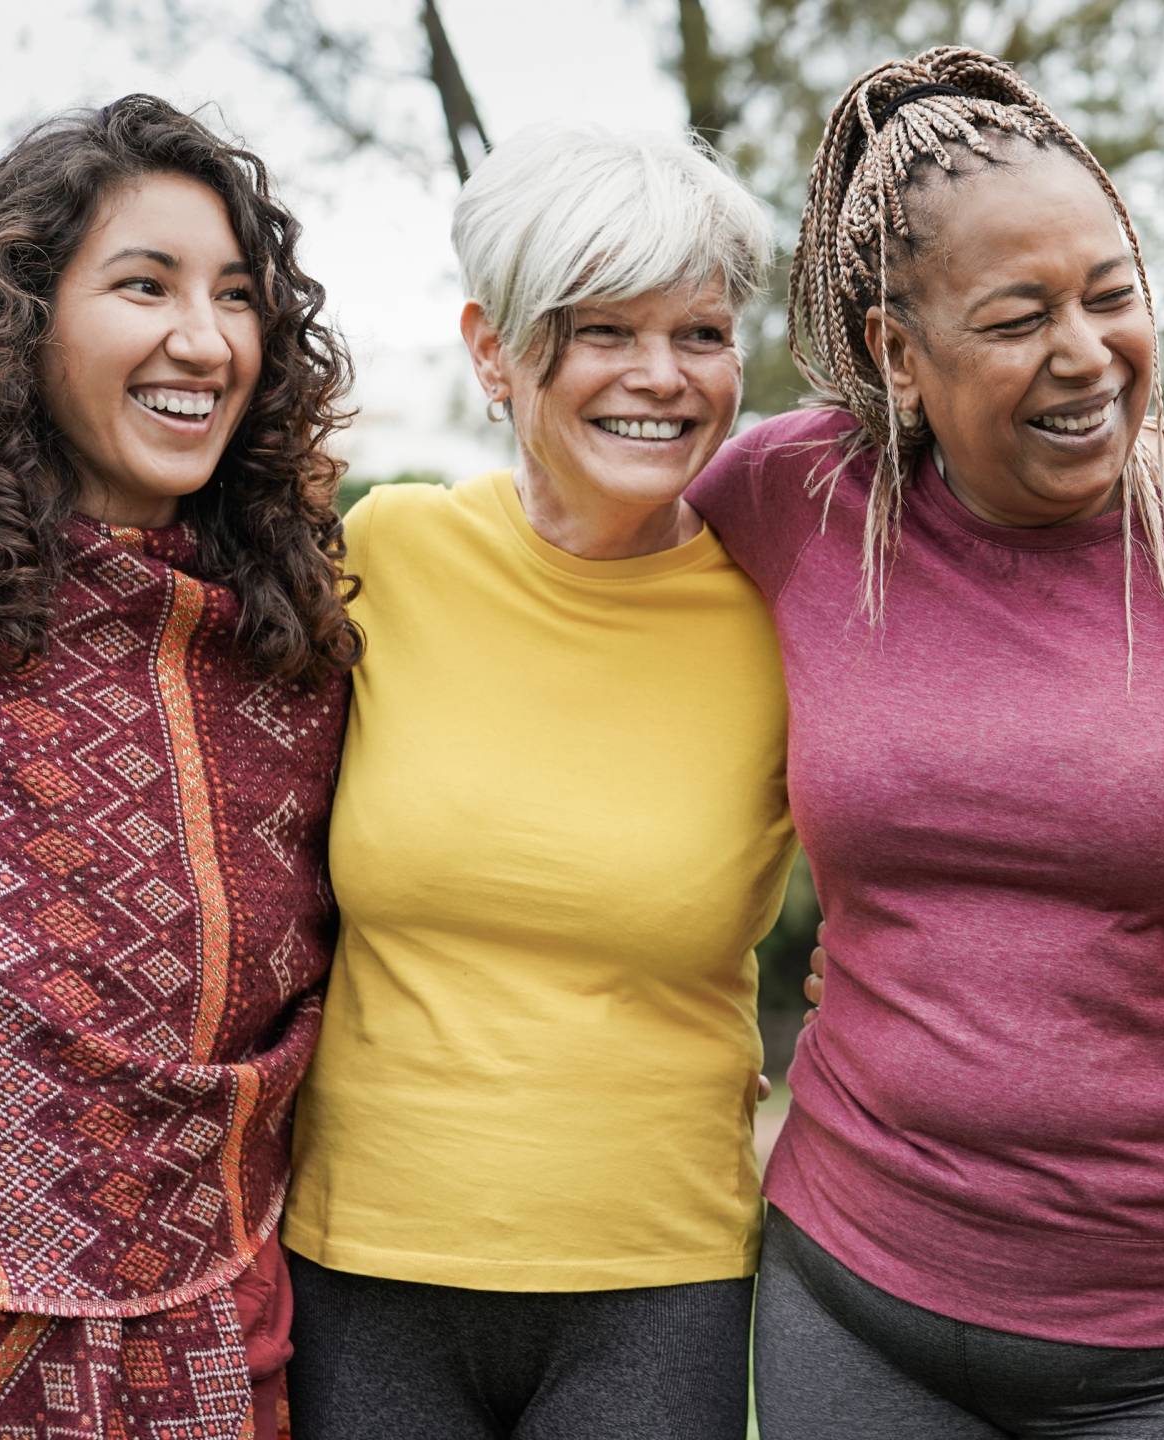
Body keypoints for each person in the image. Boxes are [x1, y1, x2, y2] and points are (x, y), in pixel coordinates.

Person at [687, 46, 1164, 1439]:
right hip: (858, 1300)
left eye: (1113, 295)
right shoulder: (795, 499)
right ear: (900, 356)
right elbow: (584, 564)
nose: (1086, 354)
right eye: (1019, 316)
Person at [279, 127, 792, 1439]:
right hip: (364, 1268)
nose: (660, 378)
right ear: (492, 350)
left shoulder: (790, 619)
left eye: (701, 334)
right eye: (604, 331)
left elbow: (951, 848)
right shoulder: (387, 556)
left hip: (656, 1282)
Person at [0, 95, 357, 1440]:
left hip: (235, 1335)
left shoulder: (302, 646)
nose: (202, 339)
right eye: (144, 285)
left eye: (236, 296)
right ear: (26, 323)